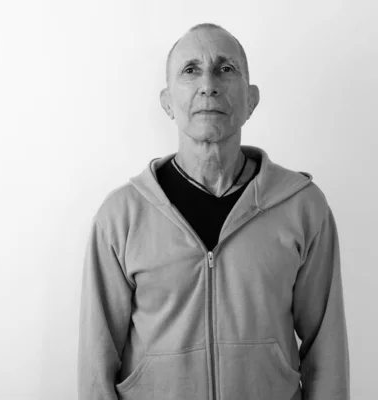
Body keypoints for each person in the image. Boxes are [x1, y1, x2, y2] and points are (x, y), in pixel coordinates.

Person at [77, 23, 350, 400]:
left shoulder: (303, 207)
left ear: (251, 99)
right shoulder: (120, 216)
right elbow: (96, 365)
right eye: (190, 70)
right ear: (167, 100)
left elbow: (327, 353)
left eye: (226, 68)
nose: (209, 84)